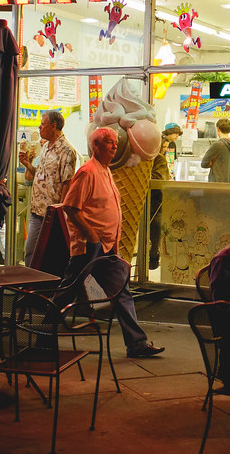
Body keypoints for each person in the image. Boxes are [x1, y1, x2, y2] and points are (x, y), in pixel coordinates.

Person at [60, 127, 164, 358]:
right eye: (109, 142)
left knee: (121, 290)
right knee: (67, 291)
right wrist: (91, 234)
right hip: (90, 247)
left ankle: (136, 343)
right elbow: (70, 207)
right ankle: (39, 332)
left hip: (106, 247)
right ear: (95, 146)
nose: (114, 146)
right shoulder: (87, 172)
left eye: (115, 142)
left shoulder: (106, 171)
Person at [19, 110, 76, 268]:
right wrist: (27, 165)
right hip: (37, 210)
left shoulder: (66, 151)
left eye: (42, 124)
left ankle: (43, 287)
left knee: (49, 256)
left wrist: (61, 213)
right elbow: (40, 174)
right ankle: (30, 286)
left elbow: (67, 183)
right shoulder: (45, 147)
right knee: (30, 251)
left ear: (53, 126)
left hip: (52, 215)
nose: (39, 127)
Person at [148, 137, 172, 270]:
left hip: (155, 201)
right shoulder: (158, 158)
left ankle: (153, 254)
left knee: (155, 227)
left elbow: (159, 179)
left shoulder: (158, 159)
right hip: (151, 202)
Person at [200, 118, 230, 183]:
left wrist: (212, 163)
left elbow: (204, 164)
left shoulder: (217, 145)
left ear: (218, 129)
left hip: (217, 184)